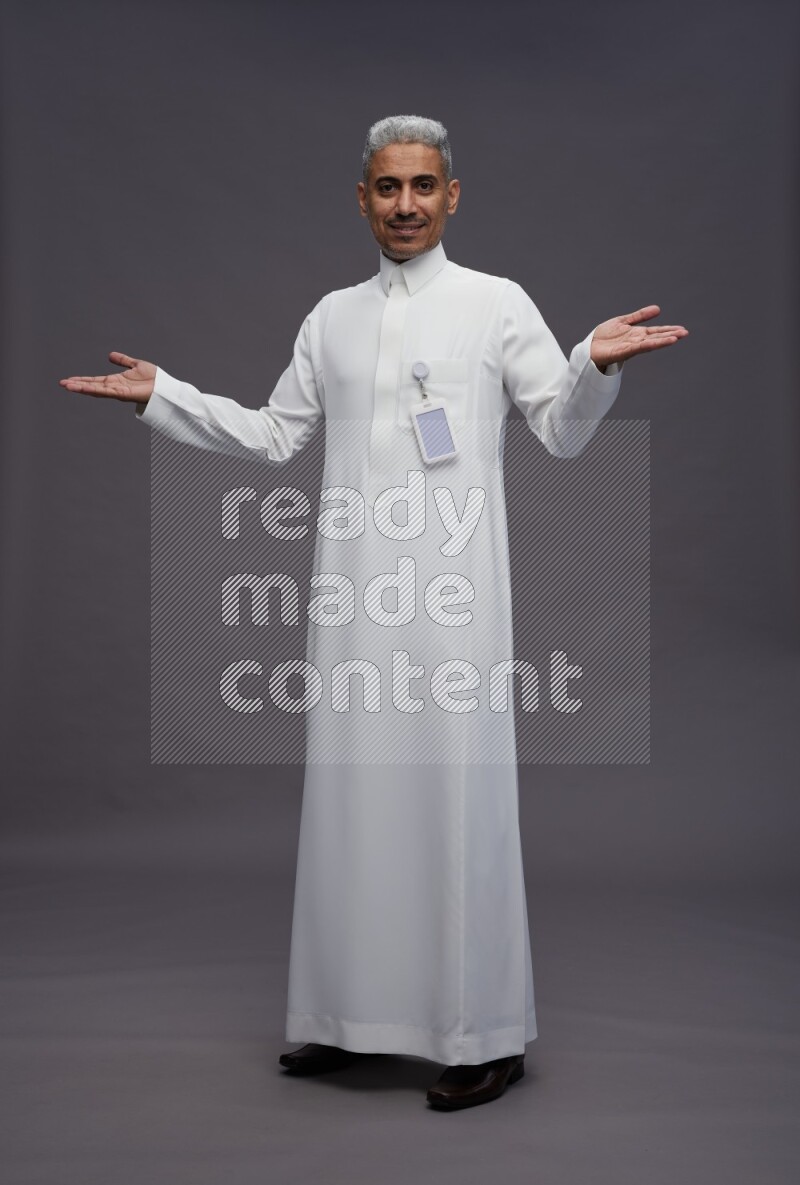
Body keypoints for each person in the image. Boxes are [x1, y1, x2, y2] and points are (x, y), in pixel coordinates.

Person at [60, 114, 688, 1111]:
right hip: (352, 599)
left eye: (422, 187)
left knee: (454, 801)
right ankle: (346, 1021)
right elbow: (273, 438)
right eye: (386, 188)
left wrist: (592, 365)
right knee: (354, 806)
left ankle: (483, 1034)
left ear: (450, 197)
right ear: (361, 199)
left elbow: (561, 433)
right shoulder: (331, 318)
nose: (404, 205)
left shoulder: (494, 305)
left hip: (454, 604)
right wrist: (163, 396)